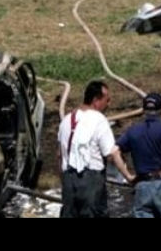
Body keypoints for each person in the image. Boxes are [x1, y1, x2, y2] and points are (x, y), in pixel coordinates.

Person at [111, 92, 161, 218]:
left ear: (143, 110)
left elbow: (114, 152)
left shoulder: (133, 130)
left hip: (142, 185)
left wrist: (128, 176)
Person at [57, 80, 115, 218]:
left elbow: (59, 155)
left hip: (68, 180)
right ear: (96, 100)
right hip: (91, 181)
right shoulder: (99, 119)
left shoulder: (66, 120)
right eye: (106, 100)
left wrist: (64, 181)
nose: (108, 104)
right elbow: (111, 154)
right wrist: (127, 175)